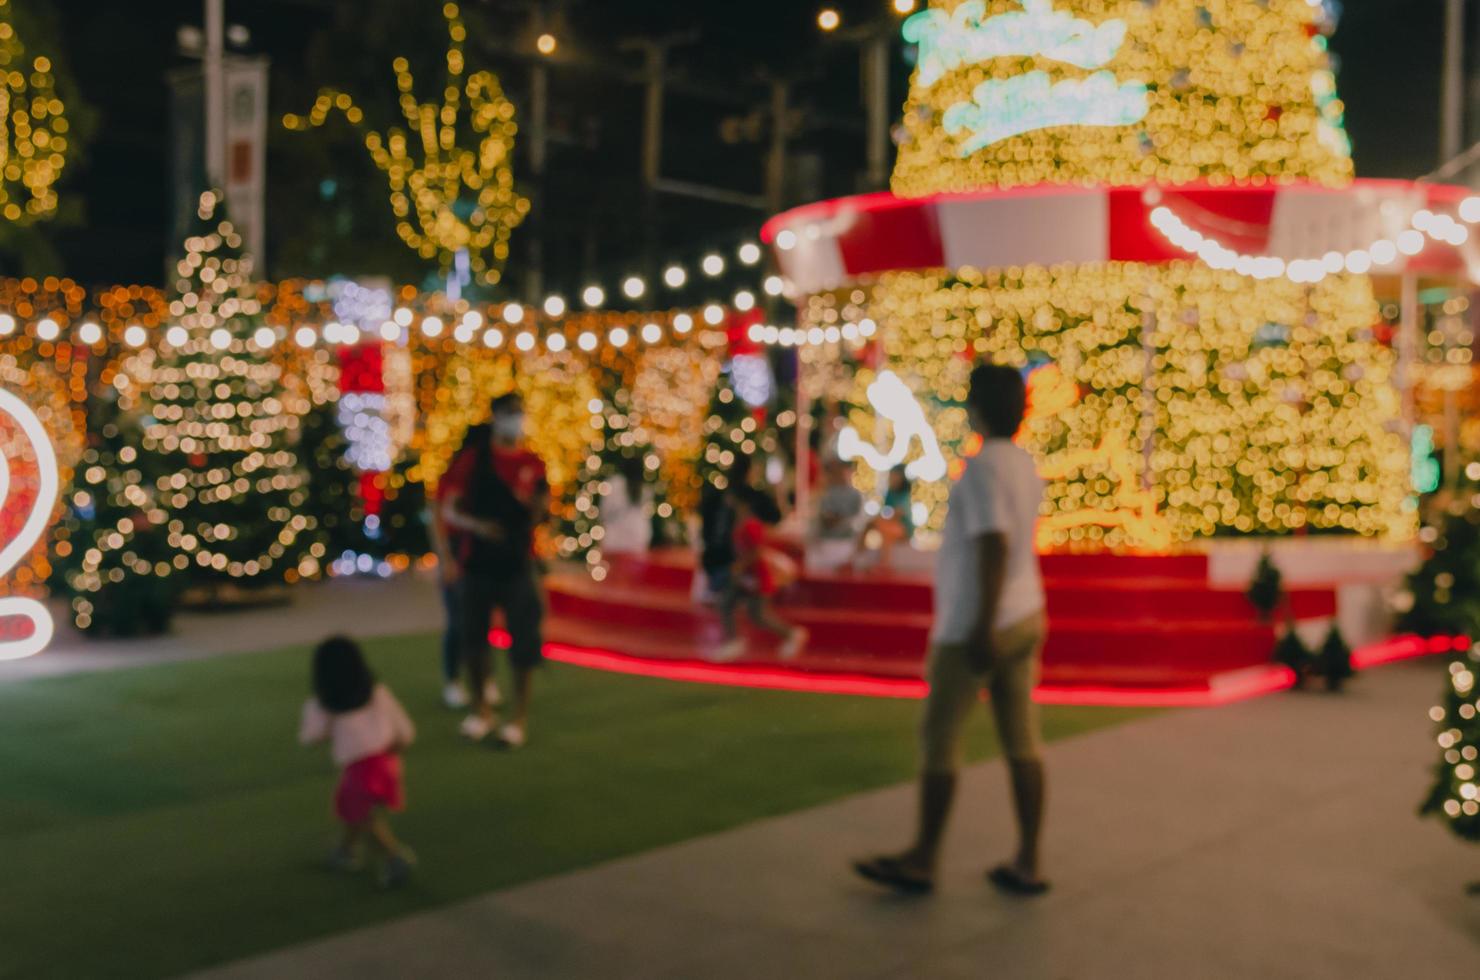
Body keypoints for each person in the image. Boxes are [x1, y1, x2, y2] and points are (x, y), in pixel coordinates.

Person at [853, 363, 1049, 897]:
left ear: (976, 408)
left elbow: (992, 544)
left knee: (940, 738)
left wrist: (981, 625)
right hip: (1027, 611)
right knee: (1022, 741)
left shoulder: (985, 468)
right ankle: (1028, 859)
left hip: (978, 623)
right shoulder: (1024, 465)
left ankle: (923, 857)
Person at [439, 393, 549, 748]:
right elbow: (448, 508)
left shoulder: (533, 462)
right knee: (474, 640)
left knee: (523, 642)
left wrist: (536, 510)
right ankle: (481, 709)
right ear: (495, 417)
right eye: (508, 414)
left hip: (517, 563)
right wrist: (476, 527)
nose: (515, 420)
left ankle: (518, 718)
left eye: (519, 413)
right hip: (478, 563)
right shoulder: (474, 460)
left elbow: (542, 510)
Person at [299, 636, 418, 888]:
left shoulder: (327, 704)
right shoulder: (377, 693)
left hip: (360, 769)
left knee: (363, 816)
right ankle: (345, 850)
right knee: (358, 812)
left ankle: (393, 856)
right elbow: (404, 730)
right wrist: (397, 749)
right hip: (387, 762)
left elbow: (311, 736)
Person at [430, 423, 500, 711]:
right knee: (459, 621)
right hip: (459, 552)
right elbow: (441, 516)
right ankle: (453, 680)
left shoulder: (491, 475)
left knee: (483, 621)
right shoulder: (458, 473)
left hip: (481, 556)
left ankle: (486, 679)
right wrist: (446, 558)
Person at [714, 485, 808, 662]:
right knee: (743, 609)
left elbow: (755, 552)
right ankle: (734, 641)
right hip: (748, 576)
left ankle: (790, 634)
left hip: (755, 576)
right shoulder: (741, 524)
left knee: (754, 612)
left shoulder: (750, 525)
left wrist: (740, 566)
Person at [811, 457, 864, 572]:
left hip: (847, 542)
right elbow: (825, 517)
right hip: (825, 542)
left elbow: (856, 519)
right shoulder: (827, 493)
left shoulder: (856, 495)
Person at [856, 467, 914, 571]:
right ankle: (857, 557)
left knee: (886, 530)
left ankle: (884, 563)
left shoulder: (905, 494)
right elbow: (886, 511)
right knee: (871, 524)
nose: (892, 478)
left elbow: (899, 513)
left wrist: (886, 516)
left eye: (894, 476)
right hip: (889, 524)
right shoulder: (890, 493)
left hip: (903, 528)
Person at [600, 456, 654, 556]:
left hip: (614, 541)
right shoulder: (645, 489)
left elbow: (604, 512)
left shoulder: (613, 484)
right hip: (638, 539)